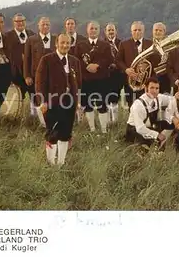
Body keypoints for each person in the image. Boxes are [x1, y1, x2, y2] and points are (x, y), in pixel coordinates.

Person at [35, 34, 82, 166]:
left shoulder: (74, 61)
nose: (65, 45)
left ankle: (60, 164)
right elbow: (39, 83)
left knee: (65, 133)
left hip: (70, 103)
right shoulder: (46, 60)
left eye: (67, 43)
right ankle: (51, 163)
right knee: (52, 133)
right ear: (56, 43)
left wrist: (77, 101)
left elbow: (78, 84)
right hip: (51, 102)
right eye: (62, 43)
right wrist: (42, 101)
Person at [75, 21, 113, 133]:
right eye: (91, 28)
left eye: (96, 28)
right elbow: (76, 61)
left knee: (102, 105)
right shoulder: (80, 45)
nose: (93, 30)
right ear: (87, 30)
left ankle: (104, 130)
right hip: (86, 81)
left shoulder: (105, 45)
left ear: (99, 30)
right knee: (88, 106)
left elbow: (110, 59)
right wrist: (87, 66)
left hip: (102, 80)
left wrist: (98, 65)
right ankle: (92, 129)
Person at [23, 17, 57, 126]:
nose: (45, 26)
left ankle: (52, 123)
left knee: (52, 99)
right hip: (36, 75)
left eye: (47, 24)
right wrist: (27, 76)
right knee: (39, 99)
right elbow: (27, 59)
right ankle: (43, 124)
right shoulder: (31, 40)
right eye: (43, 24)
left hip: (53, 76)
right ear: (38, 26)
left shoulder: (56, 38)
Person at [125, 77, 174, 147]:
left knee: (172, 123)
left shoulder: (159, 98)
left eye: (157, 88)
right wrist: (156, 135)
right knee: (144, 146)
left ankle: (161, 145)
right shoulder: (138, 105)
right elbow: (140, 128)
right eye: (152, 88)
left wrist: (178, 97)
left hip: (150, 126)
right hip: (135, 130)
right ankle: (137, 146)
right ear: (146, 88)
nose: (155, 91)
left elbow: (172, 99)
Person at [116, 21, 153, 108]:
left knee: (146, 105)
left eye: (139, 30)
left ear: (143, 31)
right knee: (132, 105)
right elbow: (118, 60)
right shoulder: (124, 44)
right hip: (130, 82)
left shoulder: (150, 44)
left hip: (146, 81)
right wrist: (126, 69)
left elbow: (153, 62)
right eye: (135, 30)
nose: (137, 32)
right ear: (131, 31)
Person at [4, 13, 35, 100]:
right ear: (13, 22)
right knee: (19, 98)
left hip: (31, 72)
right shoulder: (7, 36)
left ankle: (34, 113)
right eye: (17, 21)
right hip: (15, 73)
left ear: (25, 22)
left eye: (22, 21)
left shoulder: (32, 34)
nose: (20, 23)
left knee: (35, 95)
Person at [104, 22, 122, 123]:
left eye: (112, 30)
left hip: (118, 74)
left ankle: (115, 121)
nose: (111, 32)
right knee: (107, 96)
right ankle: (108, 120)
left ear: (116, 31)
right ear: (105, 32)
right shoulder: (102, 43)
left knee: (116, 96)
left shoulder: (121, 43)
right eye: (109, 30)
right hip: (106, 75)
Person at [150, 22, 171, 94]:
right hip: (151, 78)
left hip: (166, 78)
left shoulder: (170, 45)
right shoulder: (147, 44)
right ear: (152, 31)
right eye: (156, 30)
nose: (157, 32)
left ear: (164, 32)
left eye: (160, 30)